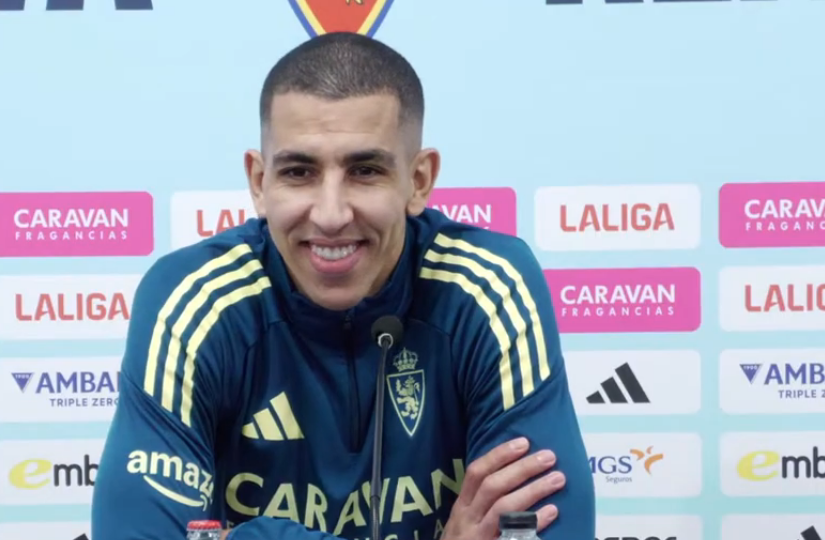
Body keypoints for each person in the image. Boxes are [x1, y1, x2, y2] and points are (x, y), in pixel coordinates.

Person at [91, 31, 595, 540]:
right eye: (299, 172)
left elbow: (554, 530)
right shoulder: (191, 300)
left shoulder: (489, 286)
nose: (331, 215)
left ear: (419, 180)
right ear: (259, 182)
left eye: (365, 170)